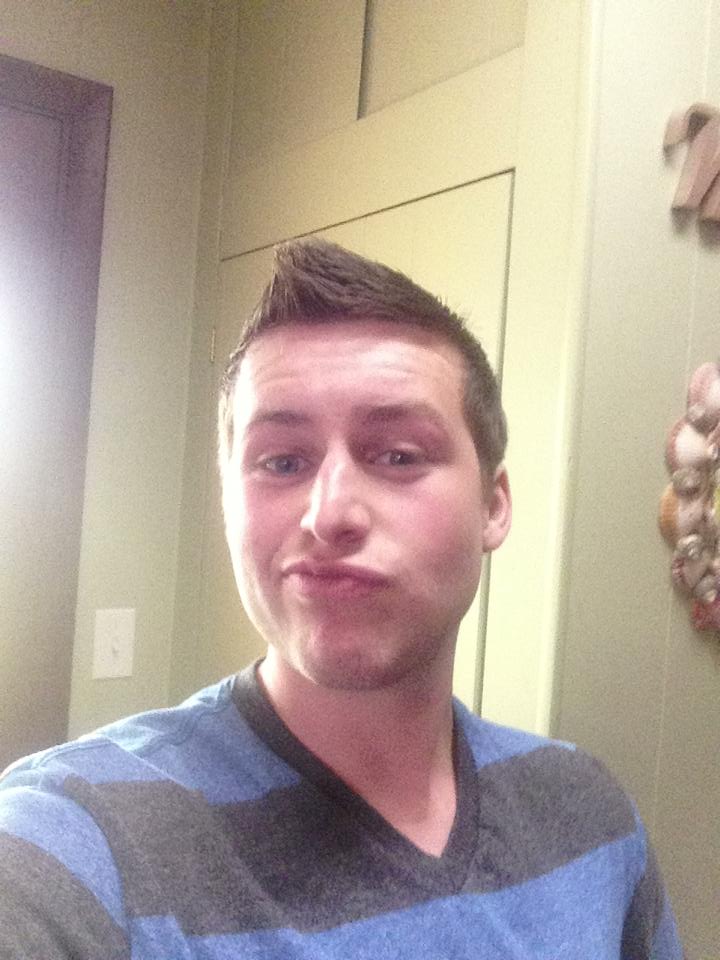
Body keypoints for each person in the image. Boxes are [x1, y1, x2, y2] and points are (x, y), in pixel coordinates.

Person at [0, 239, 682, 959]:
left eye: (398, 455)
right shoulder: (78, 844)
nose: (329, 513)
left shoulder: (588, 818)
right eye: (282, 461)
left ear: (494, 505)